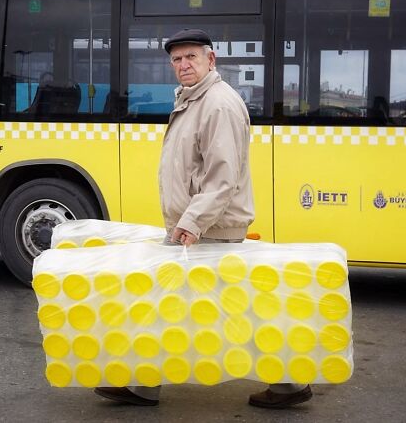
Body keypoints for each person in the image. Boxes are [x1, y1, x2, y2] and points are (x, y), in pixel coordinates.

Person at [94, 29, 312, 409]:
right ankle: (145, 383)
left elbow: (222, 176)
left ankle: (288, 383)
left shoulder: (218, 105)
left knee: (218, 307)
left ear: (211, 60)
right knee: (176, 303)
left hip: (208, 229)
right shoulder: (194, 101)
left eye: (191, 57)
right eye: (177, 60)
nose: (183, 66)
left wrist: (191, 223)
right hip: (198, 225)